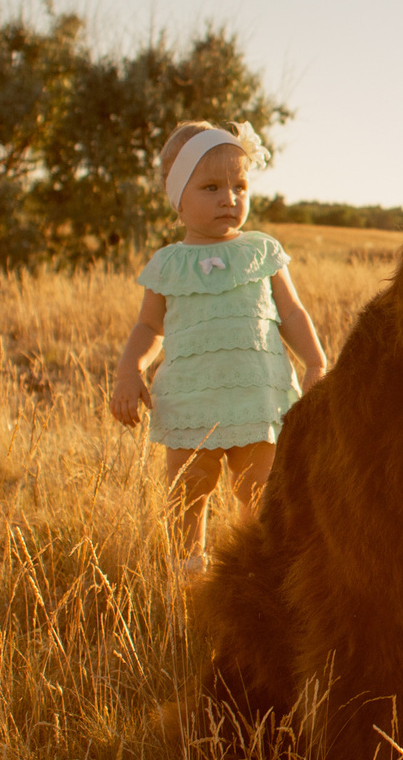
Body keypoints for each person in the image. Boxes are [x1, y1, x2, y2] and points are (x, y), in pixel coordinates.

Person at [109, 121, 328, 573]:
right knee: (189, 490)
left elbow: (292, 313)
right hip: (193, 402)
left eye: (239, 186)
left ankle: (262, 575)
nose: (229, 198)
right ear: (178, 200)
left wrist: (315, 361)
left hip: (257, 397)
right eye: (211, 187)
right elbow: (150, 327)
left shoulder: (261, 251)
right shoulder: (168, 264)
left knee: (261, 491)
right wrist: (128, 371)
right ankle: (190, 574)